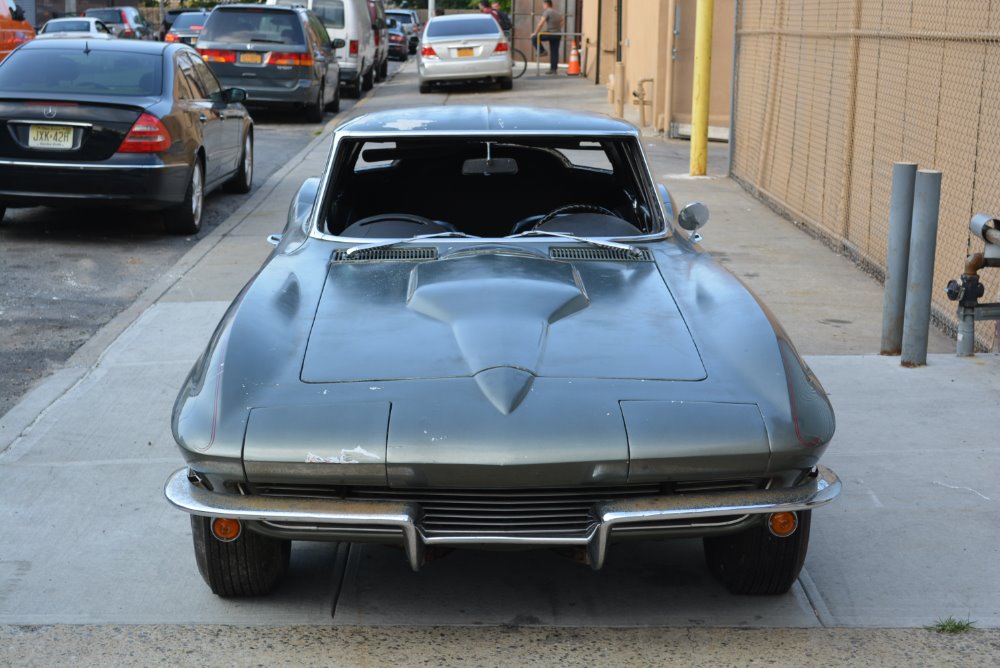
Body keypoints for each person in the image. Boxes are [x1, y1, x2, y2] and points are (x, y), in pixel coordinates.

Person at [531, 0, 562, 75]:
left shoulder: (547, 12)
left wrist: (535, 33)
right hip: (558, 34)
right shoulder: (558, 13)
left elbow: (541, 23)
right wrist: (557, 28)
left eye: (543, 5)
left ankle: (542, 51)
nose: (543, 6)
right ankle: (553, 69)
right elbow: (562, 22)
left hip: (551, 33)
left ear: (546, 4)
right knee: (554, 52)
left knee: (534, 37)